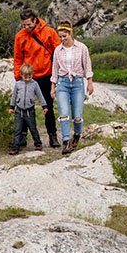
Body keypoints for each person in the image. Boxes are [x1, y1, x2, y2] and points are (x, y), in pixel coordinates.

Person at [13, 8, 61, 148]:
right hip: (28, 77)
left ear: (35, 20)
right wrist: (18, 77)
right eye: (23, 25)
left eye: (28, 24)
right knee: (23, 107)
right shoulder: (20, 36)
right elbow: (17, 58)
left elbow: (58, 53)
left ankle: (52, 136)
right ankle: (22, 137)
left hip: (46, 75)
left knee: (48, 108)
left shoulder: (49, 32)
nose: (26, 28)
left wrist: (57, 75)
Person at [50, 20, 94, 155]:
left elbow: (87, 66)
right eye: (60, 37)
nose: (62, 39)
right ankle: (66, 141)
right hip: (62, 83)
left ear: (70, 33)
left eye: (65, 36)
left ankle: (77, 134)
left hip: (77, 83)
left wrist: (90, 82)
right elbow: (55, 70)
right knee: (63, 113)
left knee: (77, 116)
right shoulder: (58, 50)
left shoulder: (82, 48)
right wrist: (53, 87)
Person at [9, 63, 48, 154]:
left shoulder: (35, 84)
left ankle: (38, 143)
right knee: (17, 129)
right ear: (21, 75)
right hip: (19, 110)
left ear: (32, 74)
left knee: (33, 128)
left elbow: (40, 95)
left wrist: (44, 106)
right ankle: (15, 146)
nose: (27, 79)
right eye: (25, 77)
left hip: (30, 110)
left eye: (29, 76)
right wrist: (12, 107)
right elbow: (14, 96)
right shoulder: (18, 84)